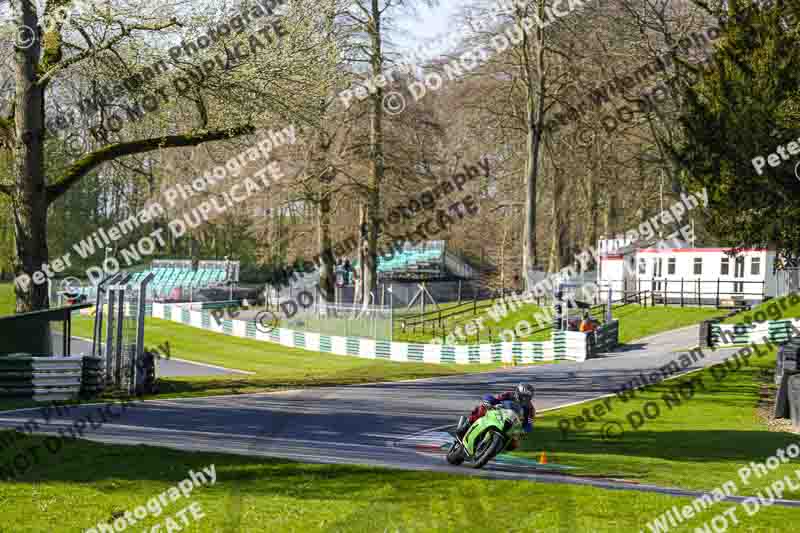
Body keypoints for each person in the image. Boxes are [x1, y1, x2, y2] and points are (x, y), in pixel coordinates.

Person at [456, 383, 535, 450]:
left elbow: (529, 424)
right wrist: (489, 402)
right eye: (524, 396)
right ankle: (466, 426)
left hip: (512, 426)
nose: (525, 399)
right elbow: (495, 399)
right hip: (499, 415)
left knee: (515, 444)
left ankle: (493, 450)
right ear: (518, 393)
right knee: (481, 409)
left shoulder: (530, 409)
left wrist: (523, 431)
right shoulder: (508, 395)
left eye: (528, 397)